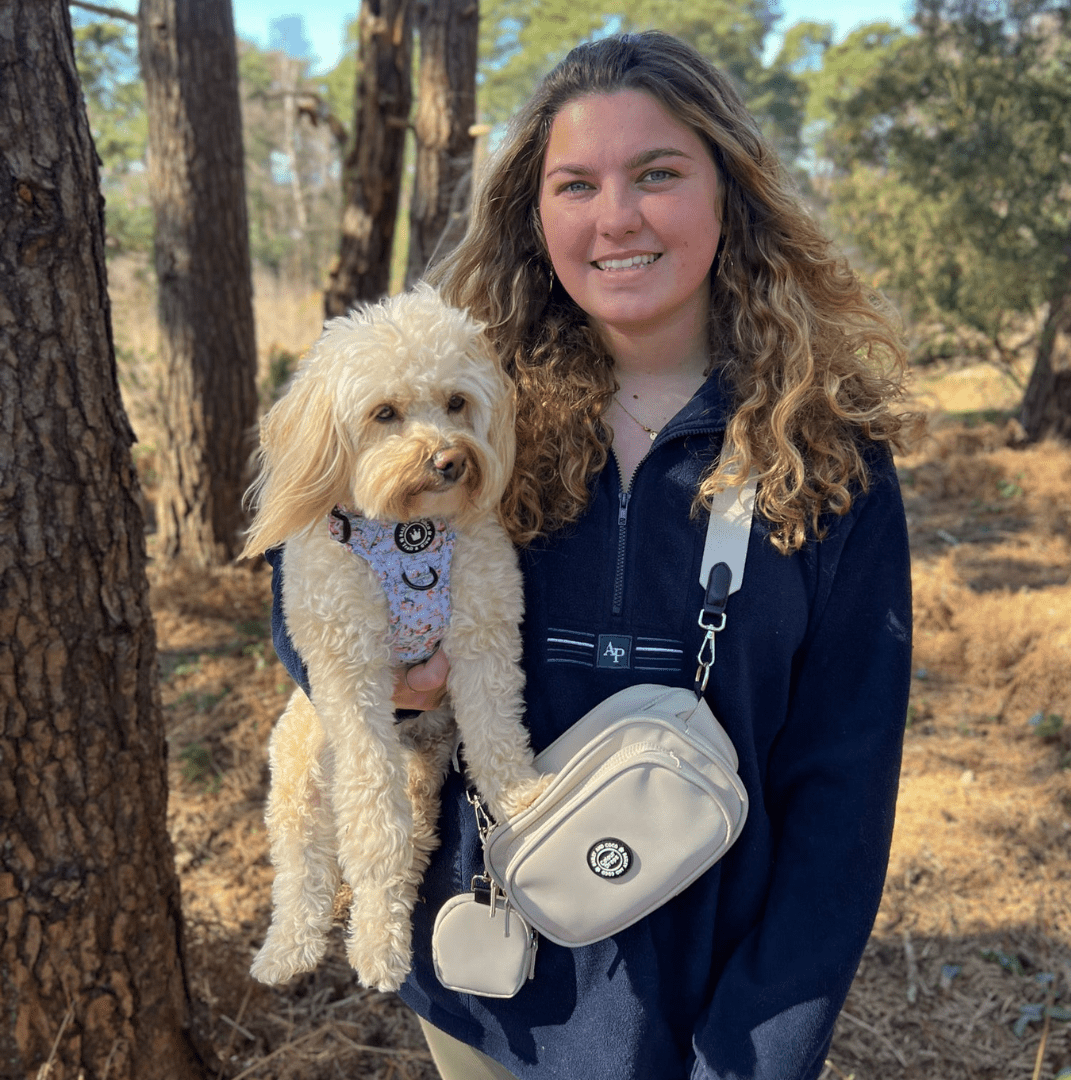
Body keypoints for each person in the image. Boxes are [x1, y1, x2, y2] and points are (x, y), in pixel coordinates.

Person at [268, 30, 914, 1080]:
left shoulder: (830, 456)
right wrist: (377, 684)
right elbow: (309, 566)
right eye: (576, 184)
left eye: (657, 174)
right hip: (488, 990)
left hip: (719, 1014)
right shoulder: (465, 409)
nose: (616, 217)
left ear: (729, 192)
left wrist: (761, 1049)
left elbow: (843, 794)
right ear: (537, 212)